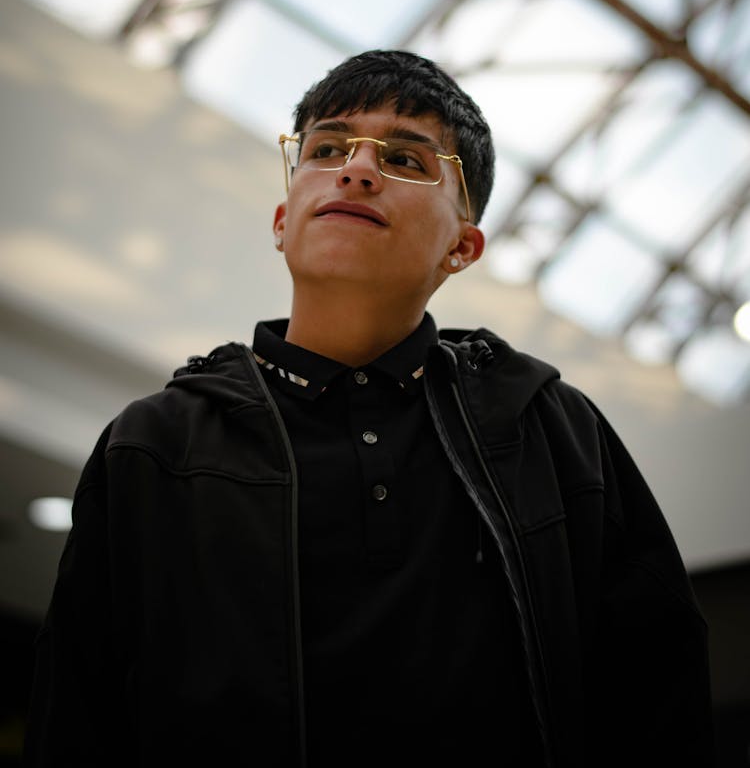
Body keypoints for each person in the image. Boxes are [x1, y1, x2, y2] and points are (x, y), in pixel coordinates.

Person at [25, 49, 713, 767]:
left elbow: (658, 701)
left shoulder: (550, 430)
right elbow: (77, 714)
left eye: (408, 161)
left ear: (463, 244)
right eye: (326, 148)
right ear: (283, 218)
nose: (357, 169)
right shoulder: (157, 443)